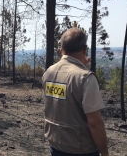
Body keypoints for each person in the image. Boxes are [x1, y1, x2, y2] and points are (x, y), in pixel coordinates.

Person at [42, 28, 109, 156]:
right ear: (85, 49)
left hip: (56, 143)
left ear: (61, 50)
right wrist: (105, 153)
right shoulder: (86, 78)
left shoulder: (48, 73)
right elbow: (95, 123)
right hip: (81, 149)